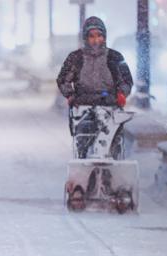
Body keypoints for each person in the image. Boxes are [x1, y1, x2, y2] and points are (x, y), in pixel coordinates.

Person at [56, 16, 133, 159]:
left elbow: (126, 80)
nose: (96, 40)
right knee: (84, 144)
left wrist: (122, 94)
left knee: (113, 145)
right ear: (86, 38)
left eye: (99, 35)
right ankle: (84, 169)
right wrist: (70, 95)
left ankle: (112, 172)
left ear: (104, 36)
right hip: (83, 107)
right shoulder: (76, 58)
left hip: (110, 106)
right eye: (91, 36)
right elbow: (63, 79)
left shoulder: (114, 57)